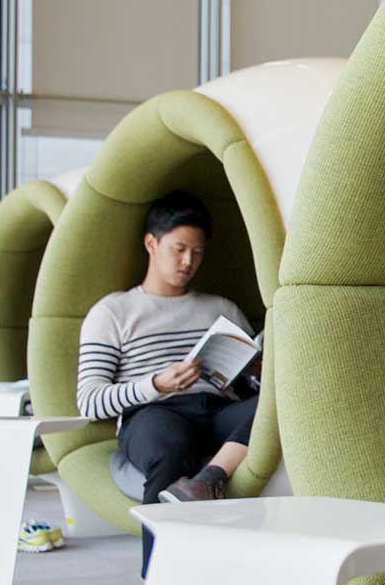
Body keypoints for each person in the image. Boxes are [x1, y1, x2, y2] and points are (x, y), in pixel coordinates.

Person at [76, 190, 259, 527]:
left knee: (273, 406)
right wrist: (157, 384)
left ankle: (209, 479)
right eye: (179, 249)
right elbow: (89, 402)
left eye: (198, 252)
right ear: (151, 244)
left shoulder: (221, 309)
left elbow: (254, 387)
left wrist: (252, 371)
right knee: (170, 446)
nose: (188, 261)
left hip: (217, 410)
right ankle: (158, 569)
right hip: (152, 413)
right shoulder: (113, 312)